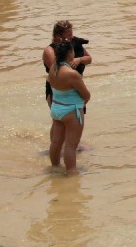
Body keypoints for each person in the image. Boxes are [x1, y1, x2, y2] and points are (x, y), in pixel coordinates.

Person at [47, 40, 90, 174]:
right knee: (71, 146)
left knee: (56, 143)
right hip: (71, 111)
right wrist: (82, 104)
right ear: (69, 53)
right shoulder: (71, 74)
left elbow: (50, 85)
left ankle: (55, 168)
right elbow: (86, 95)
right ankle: (71, 174)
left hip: (56, 109)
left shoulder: (53, 67)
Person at [42, 20, 91, 107]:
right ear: (58, 36)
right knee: (61, 117)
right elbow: (57, 70)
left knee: (76, 117)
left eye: (72, 33)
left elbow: (89, 59)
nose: (72, 37)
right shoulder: (49, 51)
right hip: (58, 90)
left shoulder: (74, 44)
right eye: (69, 35)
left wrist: (79, 60)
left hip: (75, 84)